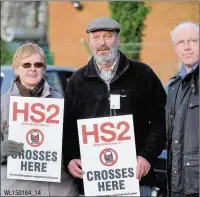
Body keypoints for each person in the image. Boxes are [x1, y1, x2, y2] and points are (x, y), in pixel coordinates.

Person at [62, 17, 166, 196]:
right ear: (90, 42)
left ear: (117, 39)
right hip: (93, 182)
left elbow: (162, 119)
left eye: (107, 36)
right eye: (96, 37)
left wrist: (146, 155)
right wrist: (70, 159)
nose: (102, 42)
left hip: (137, 178)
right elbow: (67, 128)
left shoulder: (143, 75)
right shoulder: (77, 82)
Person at [1, 43, 78, 196]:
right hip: (18, 190)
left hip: (59, 189)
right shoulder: (3, 104)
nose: (33, 68)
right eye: (26, 64)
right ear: (16, 69)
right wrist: (1, 150)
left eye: (38, 64)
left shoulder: (60, 102)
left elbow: (74, 141)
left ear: (44, 68)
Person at [166, 21, 199, 197]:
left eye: (193, 40)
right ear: (175, 47)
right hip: (178, 186)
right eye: (180, 42)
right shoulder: (173, 87)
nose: (187, 47)